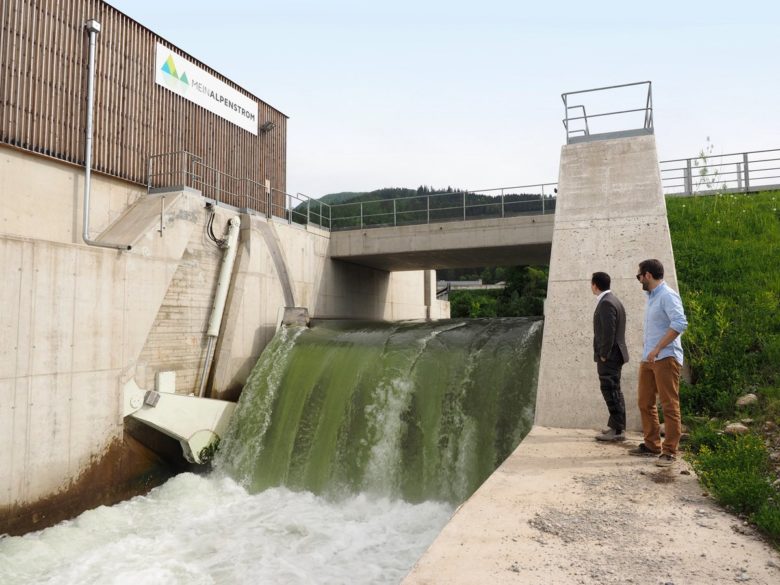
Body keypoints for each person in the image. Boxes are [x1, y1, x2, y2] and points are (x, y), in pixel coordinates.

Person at [629, 259, 688, 467]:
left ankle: (670, 451)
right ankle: (652, 444)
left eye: (639, 276)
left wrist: (658, 348)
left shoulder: (667, 295)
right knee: (645, 402)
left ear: (647, 275)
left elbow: (680, 323)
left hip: (665, 357)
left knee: (669, 405)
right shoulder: (652, 297)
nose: (639, 280)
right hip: (649, 358)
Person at [591, 272, 629, 442]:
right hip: (615, 354)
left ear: (595, 285)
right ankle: (616, 426)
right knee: (614, 389)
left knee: (610, 390)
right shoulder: (613, 300)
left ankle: (618, 431)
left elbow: (609, 332)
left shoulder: (606, 303)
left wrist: (604, 354)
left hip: (610, 356)